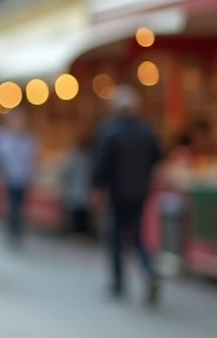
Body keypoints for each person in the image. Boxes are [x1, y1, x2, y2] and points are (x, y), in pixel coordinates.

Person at [92, 84, 163, 306]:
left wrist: (97, 187)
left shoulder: (110, 130)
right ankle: (149, 270)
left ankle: (118, 281)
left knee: (115, 237)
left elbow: (101, 164)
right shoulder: (146, 129)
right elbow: (158, 157)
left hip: (117, 192)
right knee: (138, 237)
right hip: (141, 191)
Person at [0, 110, 37, 246]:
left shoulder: (28, 138)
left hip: (22, 177)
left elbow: (32, 158)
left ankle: (17, 231)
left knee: (20, 207)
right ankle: (12, 231)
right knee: (13, 206)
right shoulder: (2, 137)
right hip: (8, 178)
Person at [60, 132, 94, 239]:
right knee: (83, 214)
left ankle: (76, 235)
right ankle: (83, 235)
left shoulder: (74, 158)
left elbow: (66, 173)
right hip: (86, 190)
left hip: (75, 189)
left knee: (76, 214)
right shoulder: (90, 158)